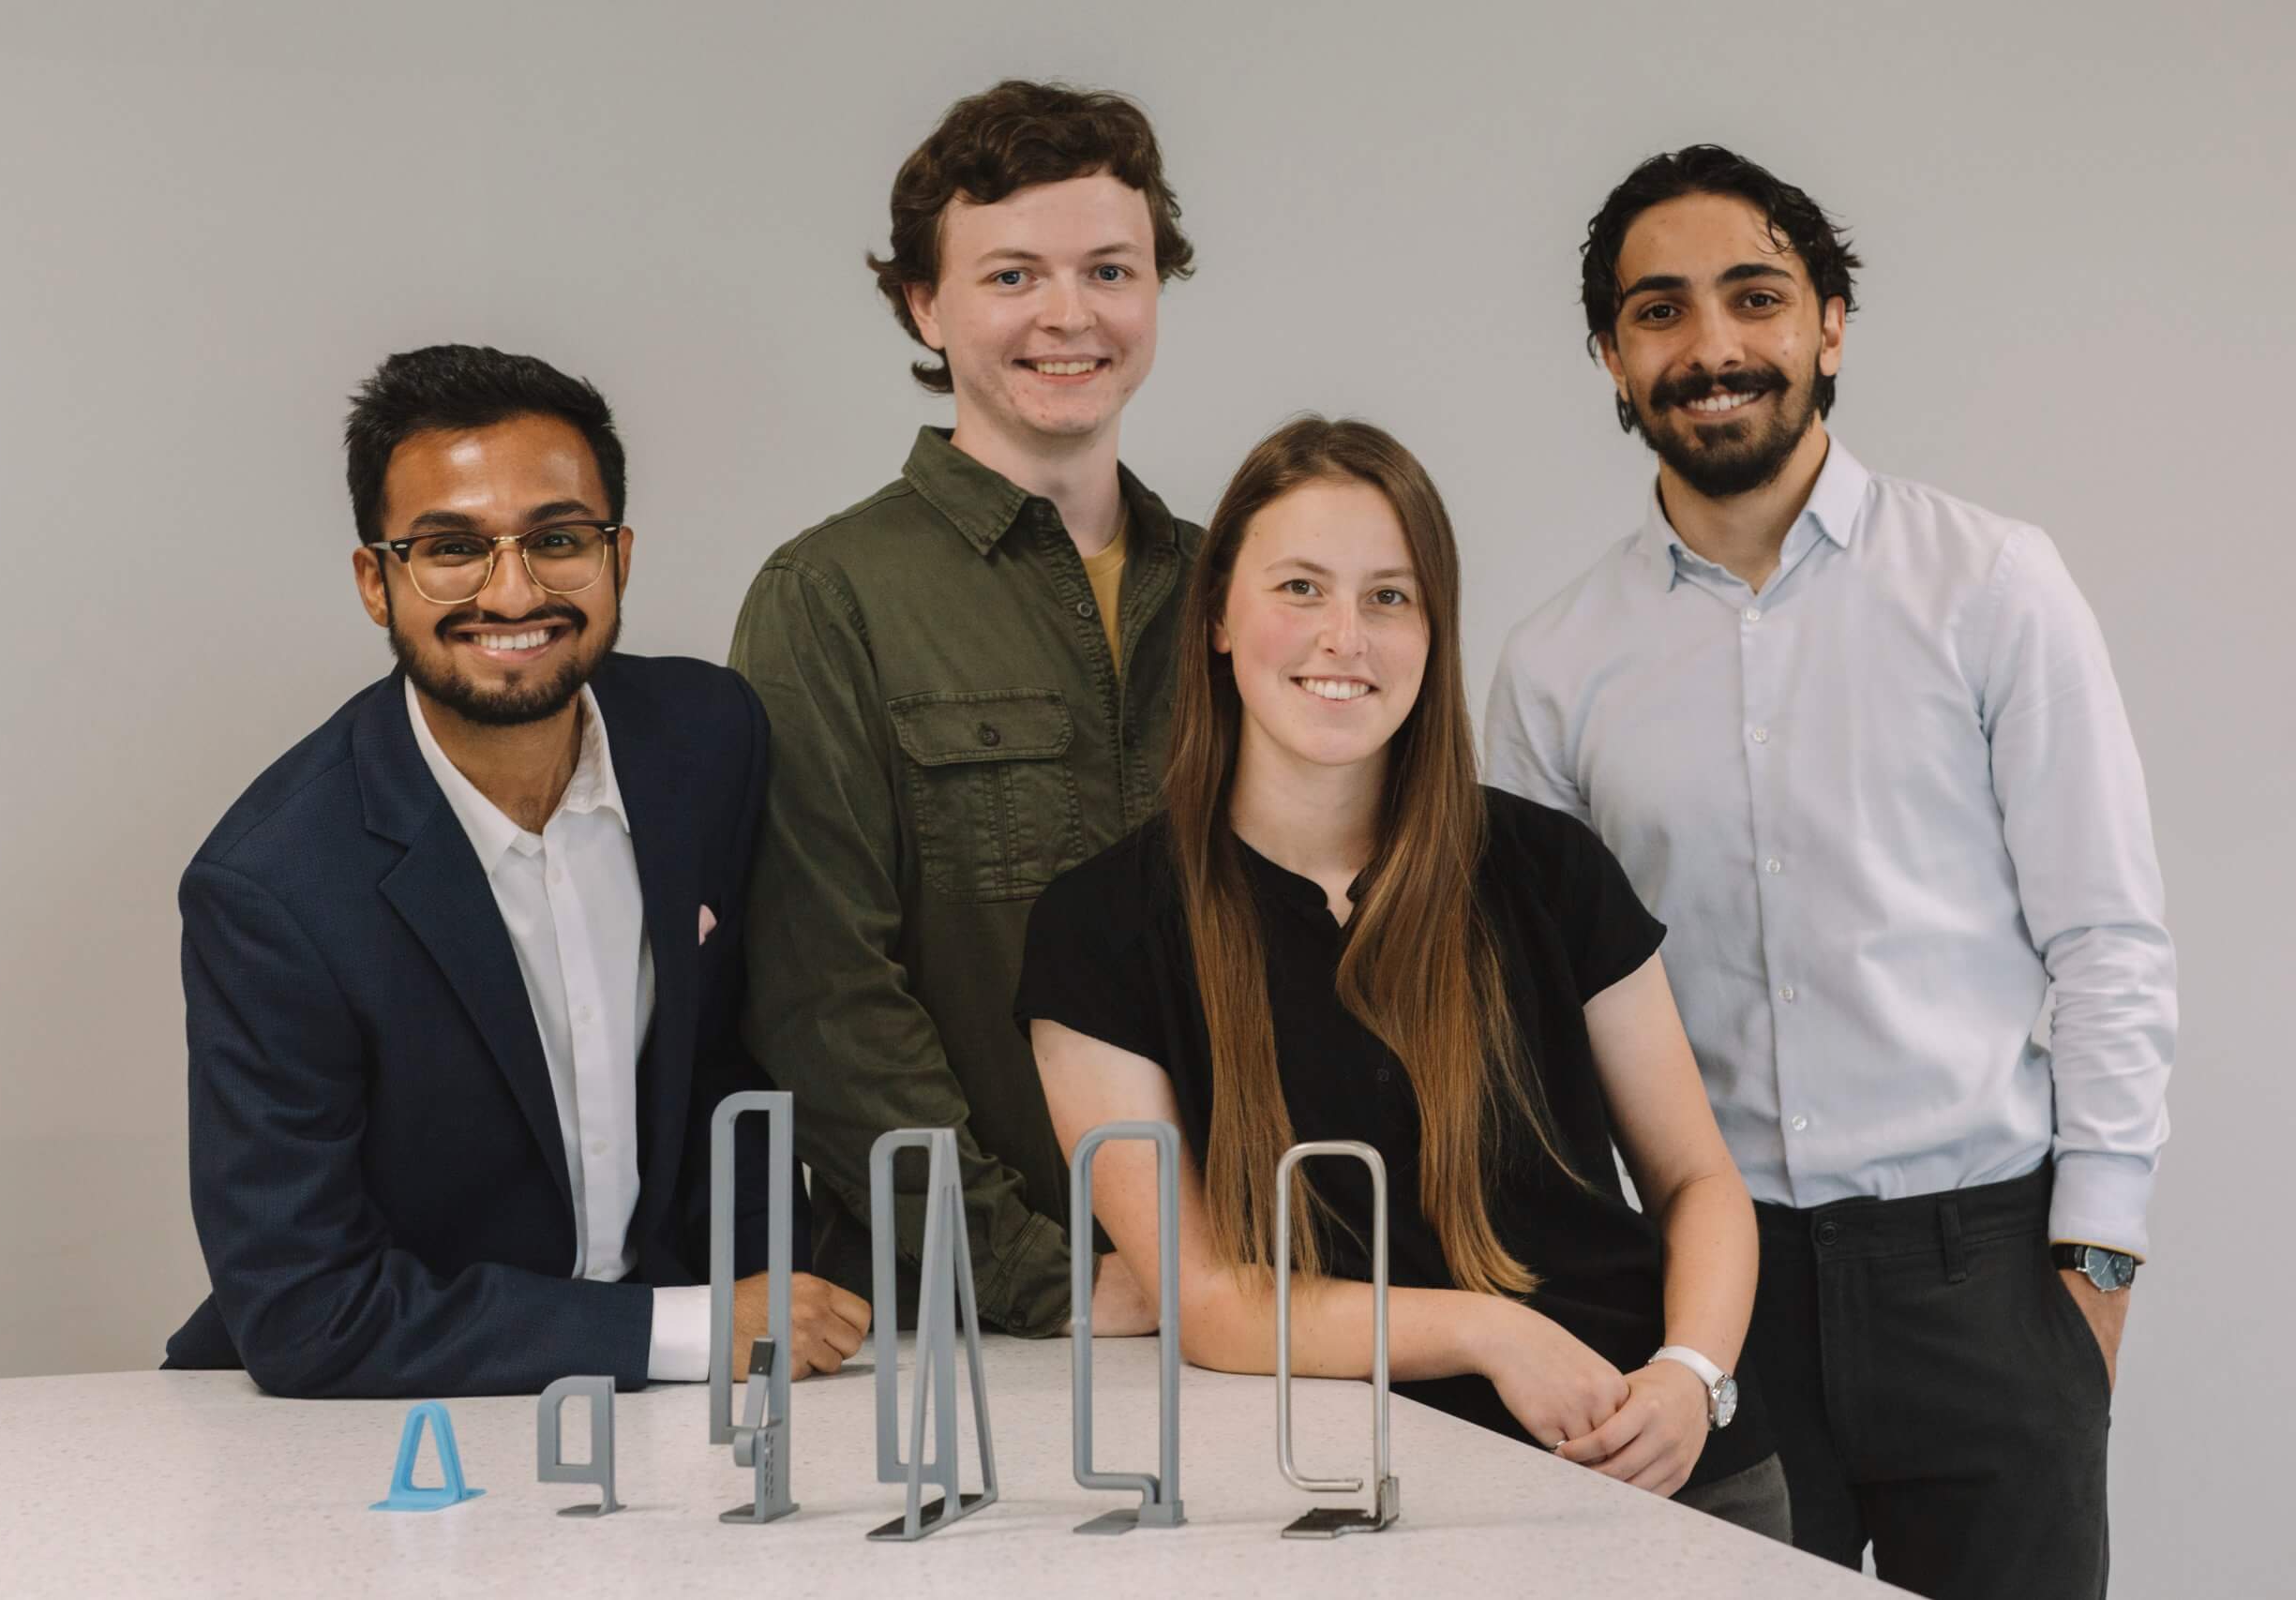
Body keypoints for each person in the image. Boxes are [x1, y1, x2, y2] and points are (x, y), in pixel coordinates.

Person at [1484, 146, 2175, 1596]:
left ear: (1831, 324)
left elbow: (2107, 937)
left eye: (1757, 297)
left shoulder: (1992, 583)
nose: (1714, 346)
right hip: (1712, 1300)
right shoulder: (1554, 669)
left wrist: (2093, 1271)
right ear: (1611, 355)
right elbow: (1538, 1033)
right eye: (1660, 311)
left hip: (1982, 1278)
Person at [1018, 416, 1792, 1537]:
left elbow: (1697, 1184)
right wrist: (1487, 1328)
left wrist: (1688, 1375)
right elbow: (1211, 1301)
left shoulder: (1546, 867)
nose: (1345, 637)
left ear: (1434, 631)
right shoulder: (1099, 930)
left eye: (1389, 597)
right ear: (1220, 620)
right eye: (1299, 588)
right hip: (1370, 1500)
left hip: (1659, 1463)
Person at [165, 344, 867, 1397]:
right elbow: (307, 1309)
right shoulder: (275, 890)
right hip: (380, 1424)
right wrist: (686, 1331)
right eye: (451, 547)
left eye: (557, 539)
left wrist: (771, 1285)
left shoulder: (708, 737)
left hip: (688, 1415)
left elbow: (728, 1059)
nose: (512, 591)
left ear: (618, 556)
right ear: (376, 580)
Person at [730, 80, 1201, 1338]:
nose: (1069, 314)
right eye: (1011, 277)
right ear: (925, 304)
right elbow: (823, 997)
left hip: (1257, 1293)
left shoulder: (1240, 592)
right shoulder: (827, 597)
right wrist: (1036, 1274)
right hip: (968, 1325)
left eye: (1111, 268)